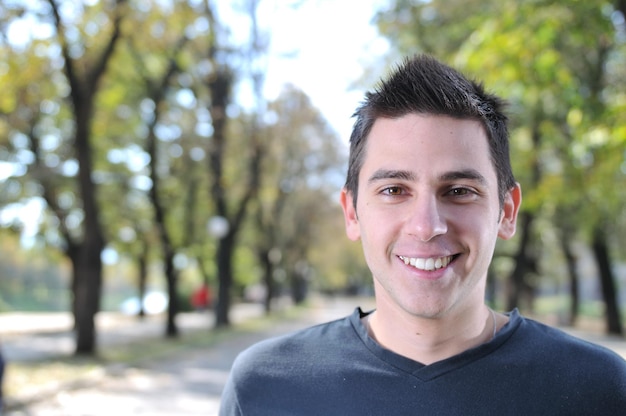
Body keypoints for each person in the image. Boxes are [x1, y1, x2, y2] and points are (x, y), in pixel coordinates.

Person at [219, 55, 626, 415]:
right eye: (394, 190)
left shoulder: (598, 389)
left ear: (506, 211)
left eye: (460, 191)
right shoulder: (264, 387)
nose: (427, 225)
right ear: (351, 212)